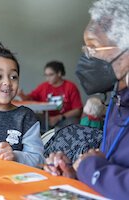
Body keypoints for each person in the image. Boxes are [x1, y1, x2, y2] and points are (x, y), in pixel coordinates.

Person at [44, 0, 129, 199]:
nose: (87, 57)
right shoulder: (118, 100)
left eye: (94, 47)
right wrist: (76, 174)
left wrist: (90, 168)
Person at [18, 61, 83, 128]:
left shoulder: (70, 87)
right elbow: (30, 99)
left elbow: (78, 110)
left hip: (64, 119)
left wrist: (59, 117)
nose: (47, 78)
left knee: (73, 123)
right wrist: (21, 95)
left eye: (51, 75)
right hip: (47, 118)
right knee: (29, 117)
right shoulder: (43, 86)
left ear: (59, 73)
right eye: (46, 75)